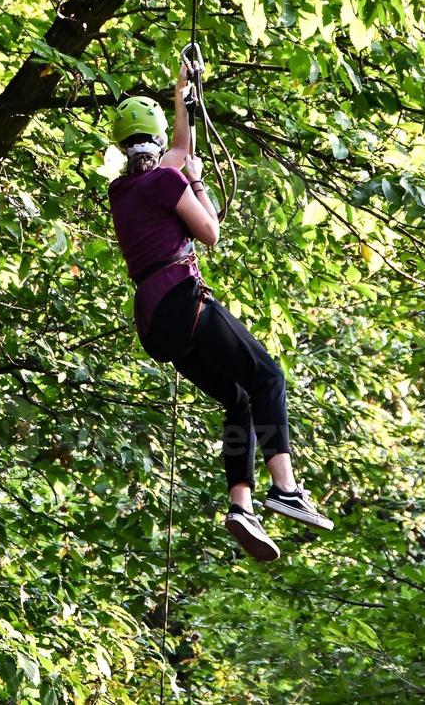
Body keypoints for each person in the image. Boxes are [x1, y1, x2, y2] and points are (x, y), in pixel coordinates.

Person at [108, 64, 333, 562]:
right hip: (181, 300)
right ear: (156, 140)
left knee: (239, 400)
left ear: (123, 145)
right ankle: (285, 488)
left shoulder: (122, 193)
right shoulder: (168, 183)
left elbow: (178, 154)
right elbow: (209, 233)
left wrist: (182, 96)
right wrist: (200, 185)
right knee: (268, 377)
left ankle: (242, 507)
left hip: (156, 323)